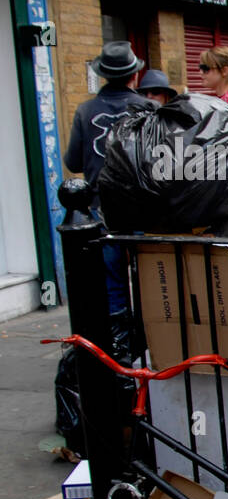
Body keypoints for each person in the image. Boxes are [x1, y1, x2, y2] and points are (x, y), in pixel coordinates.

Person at [63, 40, 151, 320]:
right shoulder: (148, 107)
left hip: (103, 210)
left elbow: (74, 162)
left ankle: (120, 344)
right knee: (149, 281)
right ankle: (152, 341)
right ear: (134, 74)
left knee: (113, 283)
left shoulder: (85, 111)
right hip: (143, 208)